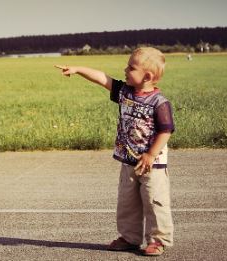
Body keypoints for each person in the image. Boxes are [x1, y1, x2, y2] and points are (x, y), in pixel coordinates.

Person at [55, 47, 175, 256]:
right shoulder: (124, 92)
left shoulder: (159, 102)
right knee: (127, 202)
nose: (125, 69)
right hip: (129, 161)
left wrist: (151, 154)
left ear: (147, 76)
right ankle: (130, 238)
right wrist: (77, 69)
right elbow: (102, 78)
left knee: (155, 201)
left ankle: (158, 240)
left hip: (152, 164)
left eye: (131, 67)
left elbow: (166, 131)